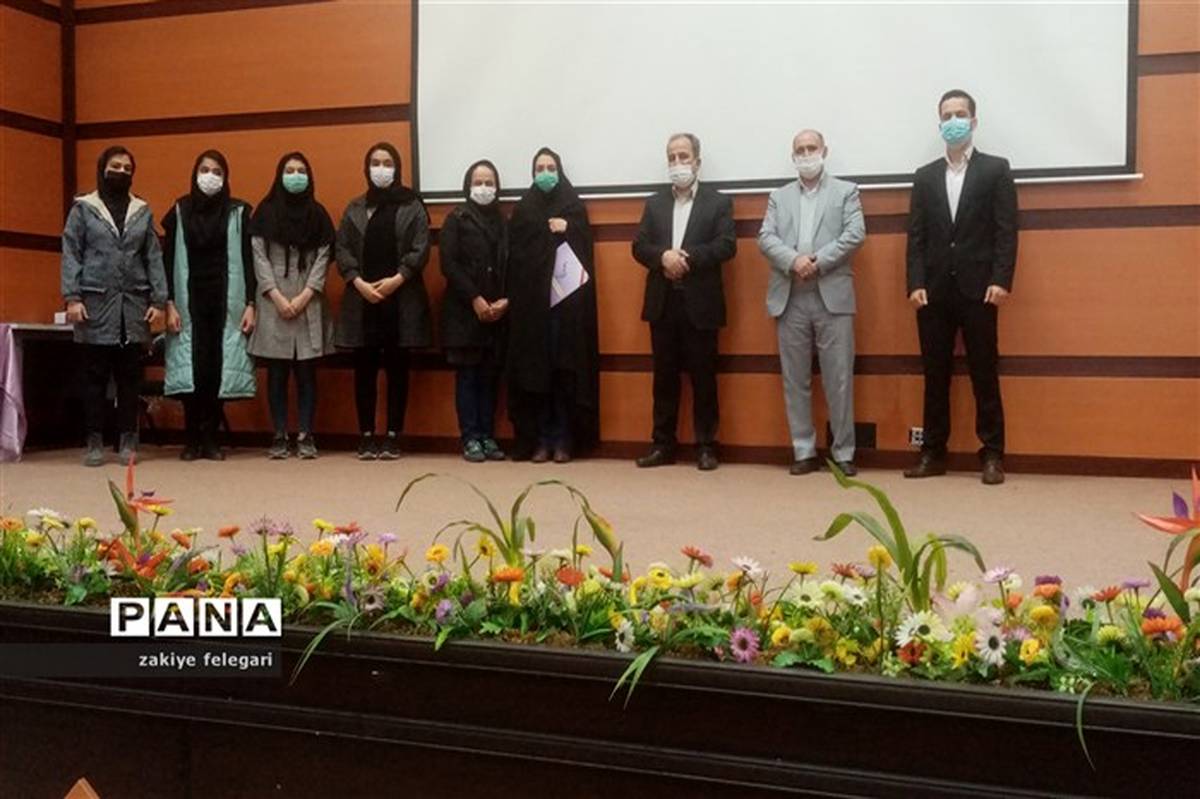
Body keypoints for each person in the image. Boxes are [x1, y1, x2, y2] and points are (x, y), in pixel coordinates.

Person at [904, 89, 1018, 485]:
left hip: (980, 289)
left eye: (960, 114)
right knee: (935, 375)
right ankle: (933, 453)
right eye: (947, 115)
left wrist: (1001, 279)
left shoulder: (996, 169)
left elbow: (1007, 231)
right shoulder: (925, 176)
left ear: (973, 121)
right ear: (940, 124)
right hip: (933, 291)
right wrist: (915, 282)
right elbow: (916, 236)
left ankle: (992, 454)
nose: (953, 121)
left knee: (984, 373)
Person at [758, 129, 866, 476]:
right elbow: (765, 238)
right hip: (790, 297)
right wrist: (794, 261)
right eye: (800, 150)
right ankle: (803, 450)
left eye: (811, 148)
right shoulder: (778, 197)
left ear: (824, 151)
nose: (806, 155)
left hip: (832, 295)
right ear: (793, 157)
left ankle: (843, 452)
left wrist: (816, 261)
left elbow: (855, 234)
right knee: (795, 380)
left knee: (839, 379)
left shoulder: (846, 191)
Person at [632, 133, 736, 471]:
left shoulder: (718, 203)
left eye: (683, 156)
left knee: (704, 378)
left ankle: (706, 446)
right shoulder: (654, 204)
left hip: (701, 304)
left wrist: (685, 258)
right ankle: (662, 445)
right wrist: (663, 257)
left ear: (697, 162)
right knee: (664, 379)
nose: (677, 163)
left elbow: (727, 245)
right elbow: (639, 246)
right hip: (663, 302)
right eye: (672, 157)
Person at [61, 146, 167, 467]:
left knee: (129, 378)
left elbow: (153, 256)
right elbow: (71, 252)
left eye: (126, 168)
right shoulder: (84, 208)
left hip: (133, 305)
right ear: (102, 168)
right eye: (115, 166)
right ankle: (94, 440)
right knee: (94, 377)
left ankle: (128, 440)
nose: (120, 172)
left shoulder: (141, 210)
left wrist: (159, 300)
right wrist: (72, 297)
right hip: (94, 304)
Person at [334, 142, 431, 460]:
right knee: (364, 371)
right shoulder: (355, 207)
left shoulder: (412, 205)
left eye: (387, 163)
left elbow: (420, 248)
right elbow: (342, 248)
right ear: (366, 168)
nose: (381, 169)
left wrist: (397, 280)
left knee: (397, 371)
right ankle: (366, 435)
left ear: (397, 168)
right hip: (362, 300)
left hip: (401, 300)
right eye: (375, 163)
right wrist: (358, 282)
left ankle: (392, 435)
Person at [162, 150, 256, 461]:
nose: (210, 176)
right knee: (192, 369)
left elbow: (249, 261)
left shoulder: (238, 212)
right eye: (204, 170)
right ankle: (191, 439)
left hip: (226, 302)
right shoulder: (180, 211)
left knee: (217, 369)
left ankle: (211, 437)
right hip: (188, 302)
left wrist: (251, 304)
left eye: (217, 171)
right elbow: (166, 260)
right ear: (195, 173)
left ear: (225, 177)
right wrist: (169, 303)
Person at [506, 147, 599, 463]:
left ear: (559, 171)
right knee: (536, 376)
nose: (545, 173)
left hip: (566, 310)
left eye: (550, 168)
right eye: (539, 168)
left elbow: (585, 250)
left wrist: (568, 229)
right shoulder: (524, 210)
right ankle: (541, 439)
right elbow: (517, 257)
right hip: (533, 312)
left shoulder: (573, 207)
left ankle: (564, 439)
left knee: (564, 373)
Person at [247, 151, 335, 459]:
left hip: (308, 301)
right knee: (277, 375)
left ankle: (307, 434)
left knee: (307, 374)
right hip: (274, 302)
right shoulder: (265, 212)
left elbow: (324, 258)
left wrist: (305, 295)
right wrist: (275, 295)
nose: (295, 176)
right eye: (289, 170)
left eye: (301, 171)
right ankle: (280, 434)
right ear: (279, 175)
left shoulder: (319, 214)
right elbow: (258, 257)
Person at [439, 159, 509, 462]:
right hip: (464, 311)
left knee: (490, 377)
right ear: (468, 186)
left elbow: (512, 263)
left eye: (489, 183)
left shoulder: (504, 221)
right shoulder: (456, 218)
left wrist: (506, 300)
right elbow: (448, 264)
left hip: (497, 312)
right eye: (478, 182)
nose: (484, 188)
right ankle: (469, 437)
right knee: (468, 376)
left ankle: (487, 435)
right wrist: (475, 298)